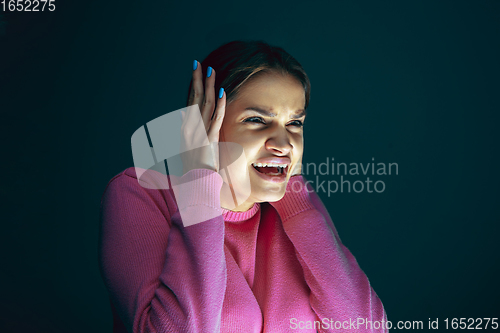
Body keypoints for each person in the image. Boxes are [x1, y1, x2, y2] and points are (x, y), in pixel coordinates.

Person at [98, 40, 388, 332]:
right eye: (257, 120)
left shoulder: (296, 200)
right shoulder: (138, 194)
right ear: (206, 122)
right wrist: (200, 179)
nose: (284, 143)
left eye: (294, 123)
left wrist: (292, 193)